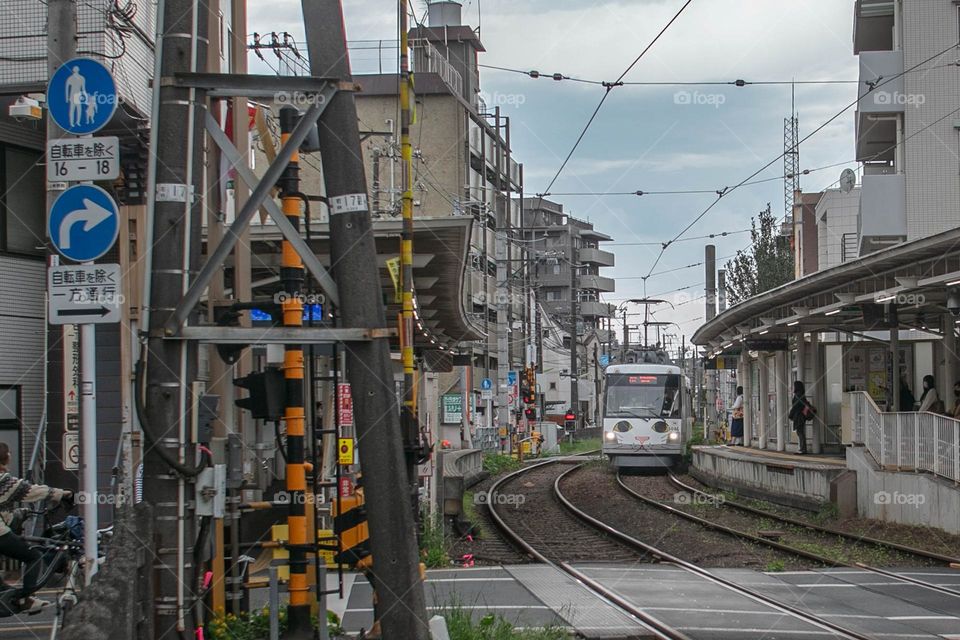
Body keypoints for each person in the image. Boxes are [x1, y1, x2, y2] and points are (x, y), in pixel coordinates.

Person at [0, 443, 72, 613]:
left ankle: (19, 601)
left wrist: (20, 513)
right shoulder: (4, 481)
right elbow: (32, 491)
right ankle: (24, 598)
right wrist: (64, 494)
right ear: (7, 457)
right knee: (33, 557)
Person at [788, 380, 814, 455]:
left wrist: (790, 414)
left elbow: (795, 406)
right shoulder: (802, 395)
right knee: (800, 432)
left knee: (800, 432)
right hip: (801, 415)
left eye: (794, 386)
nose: (793, 387)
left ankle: (802, 449)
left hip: (799, 416)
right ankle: (802, 448)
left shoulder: (798, 395)